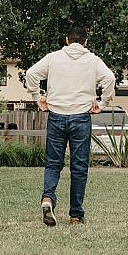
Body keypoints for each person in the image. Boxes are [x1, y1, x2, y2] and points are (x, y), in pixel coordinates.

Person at [26, 26, 115, 227]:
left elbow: (31, 74)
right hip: (81, 117)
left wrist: (36, 97)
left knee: (53, 164)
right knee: (79, 167)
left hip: (56, 116)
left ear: (67, 40)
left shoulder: (53, 58)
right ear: (86, 42)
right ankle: (75, 215)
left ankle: (48, 198)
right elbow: (110, 79)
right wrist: (102, 103)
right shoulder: (93, 60)